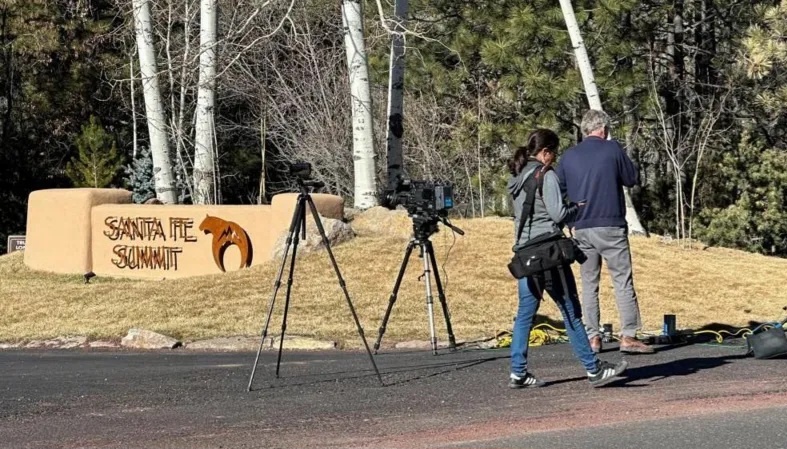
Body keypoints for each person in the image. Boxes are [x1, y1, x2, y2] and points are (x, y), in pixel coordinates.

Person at [507, 128, 628, 388]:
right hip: (548, 254)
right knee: (571, 311)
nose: (555, 158)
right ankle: (593, 368)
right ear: (545, 152)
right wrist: (576, 208)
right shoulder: (545, 174)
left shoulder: (517, 176)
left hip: (525, 254)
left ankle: (518, 372)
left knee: (525, 314)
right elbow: (558, 214)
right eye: (554, 153)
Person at [555, 110, 654, 354]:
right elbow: (631, 178)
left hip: (581, 226)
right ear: (604, 129)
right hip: (610, 224)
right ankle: (628, 335)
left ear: (584, 130)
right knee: (622, 280)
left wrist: (569, 219)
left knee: (589, 283)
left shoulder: (569, 156)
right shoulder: (612, 149)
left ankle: (593, 337)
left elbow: (558, 190)